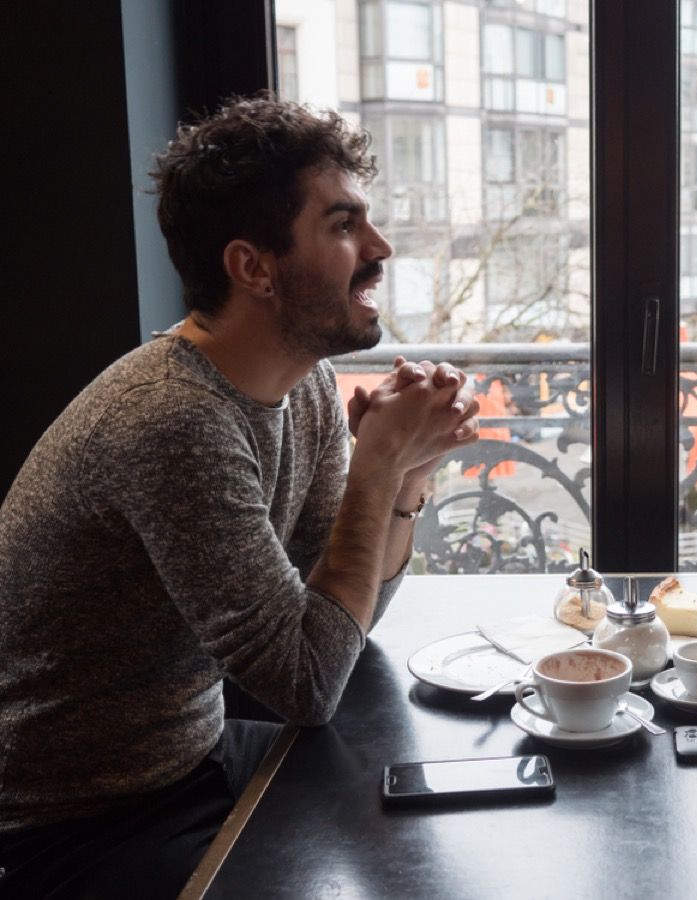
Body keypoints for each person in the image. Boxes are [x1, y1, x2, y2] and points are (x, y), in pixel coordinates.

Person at [0, 95, 480, 896]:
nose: (379, 247)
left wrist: (405, 481)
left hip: (196, 757)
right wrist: (375, 468)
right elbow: (303, 682)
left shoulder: (308, 386)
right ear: (253, 267)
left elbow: (336, 623)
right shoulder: (172, 423)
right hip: (71, 819)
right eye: (342, 225)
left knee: (421, 804)